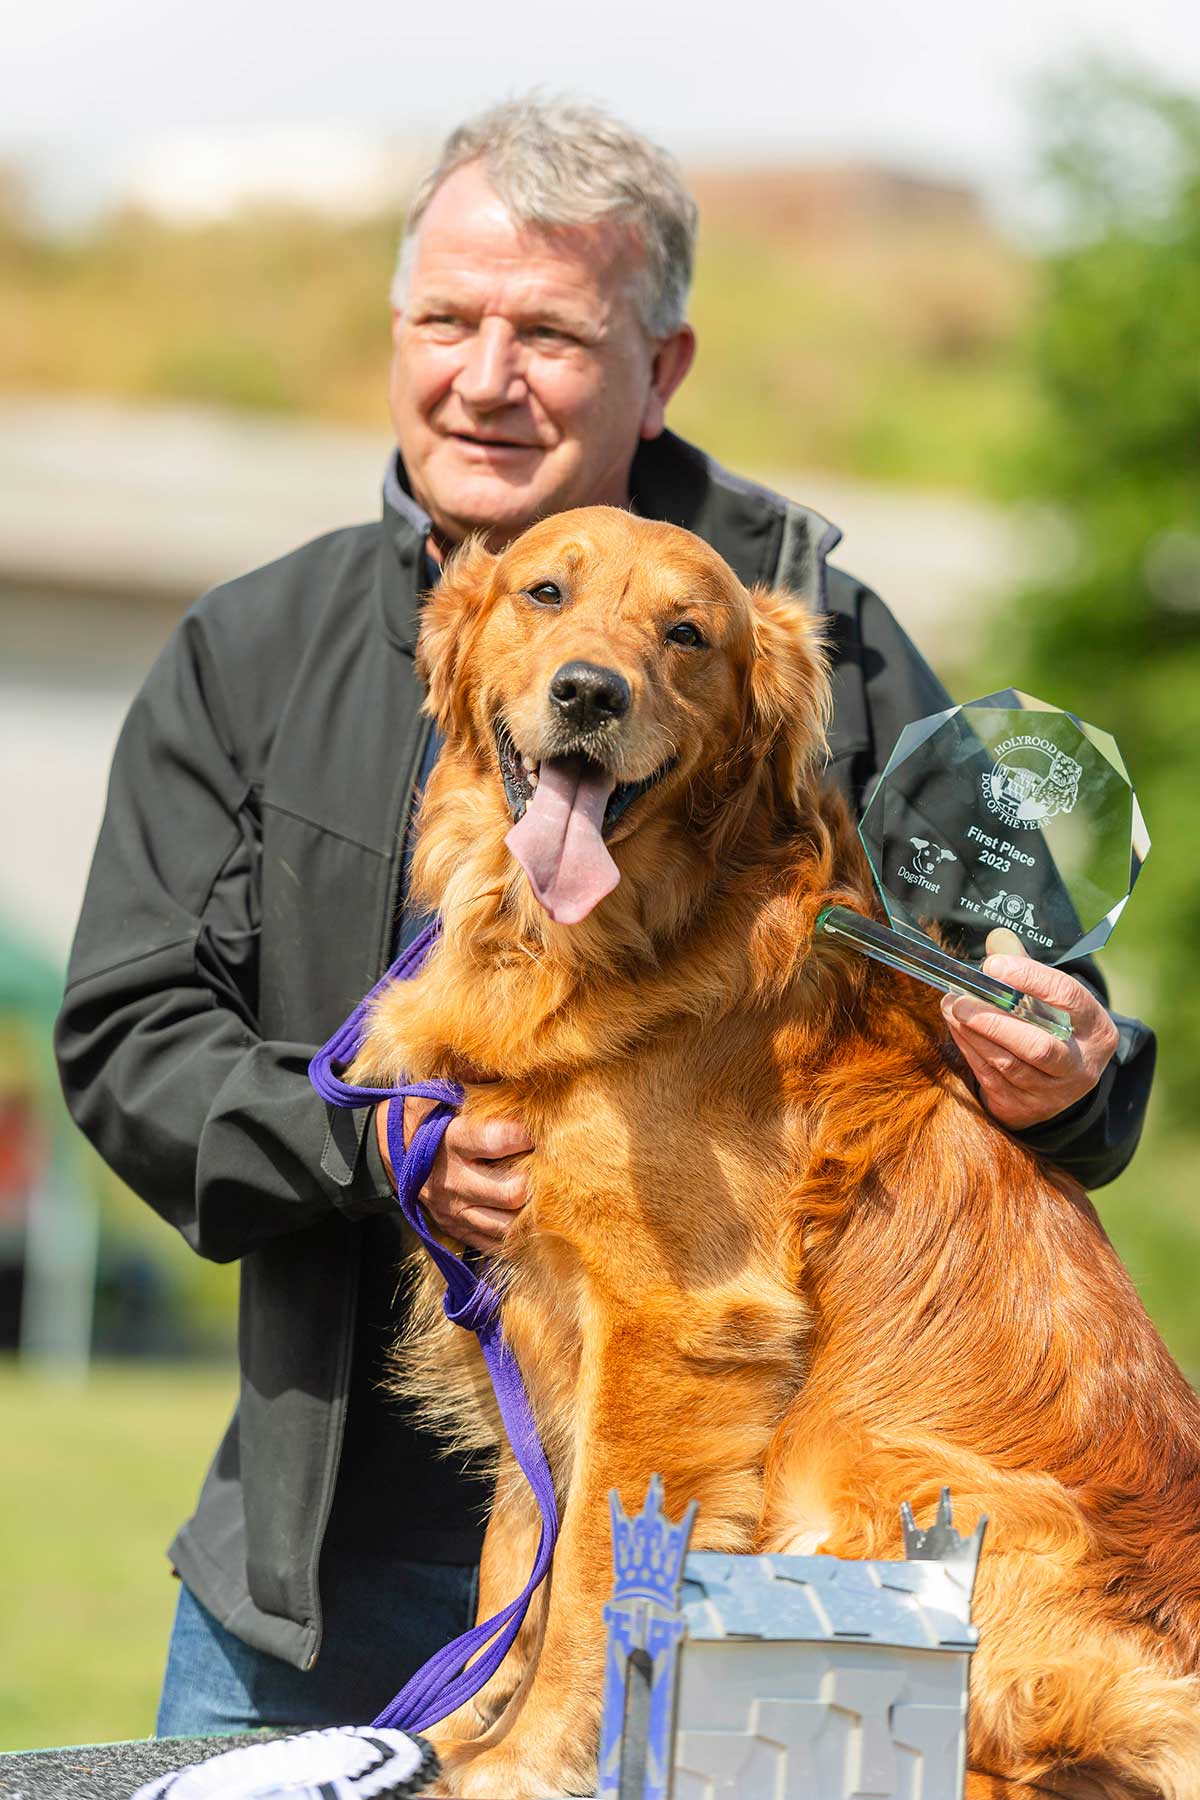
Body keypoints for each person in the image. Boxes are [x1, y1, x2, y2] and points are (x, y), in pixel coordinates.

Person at [54, 97, 1154, 1735]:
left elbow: (1026, 984)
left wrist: (1083, 1063)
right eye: (447, 320)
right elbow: (130, 1035)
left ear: (663, 367)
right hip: (317, 1562)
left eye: (552, 331)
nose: (487, 374)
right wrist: (372, 1143)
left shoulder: (814, 638)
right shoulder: (250, 648)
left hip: (759, 1545)